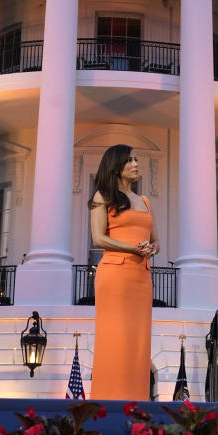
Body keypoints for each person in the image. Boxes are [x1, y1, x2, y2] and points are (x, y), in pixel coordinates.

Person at [88, 144, 159, 400]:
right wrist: (134, 248)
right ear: (116, 166)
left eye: (137, 159)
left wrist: (151, 249)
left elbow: (156, 240)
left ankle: (136, 403)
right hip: (115, 275)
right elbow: (98, 238)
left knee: (138, 343)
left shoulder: (145, 201)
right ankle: (109, 402)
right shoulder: (102, 196)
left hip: (141, 277)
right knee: (115, 339)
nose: (136, 163)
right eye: (130, 160)